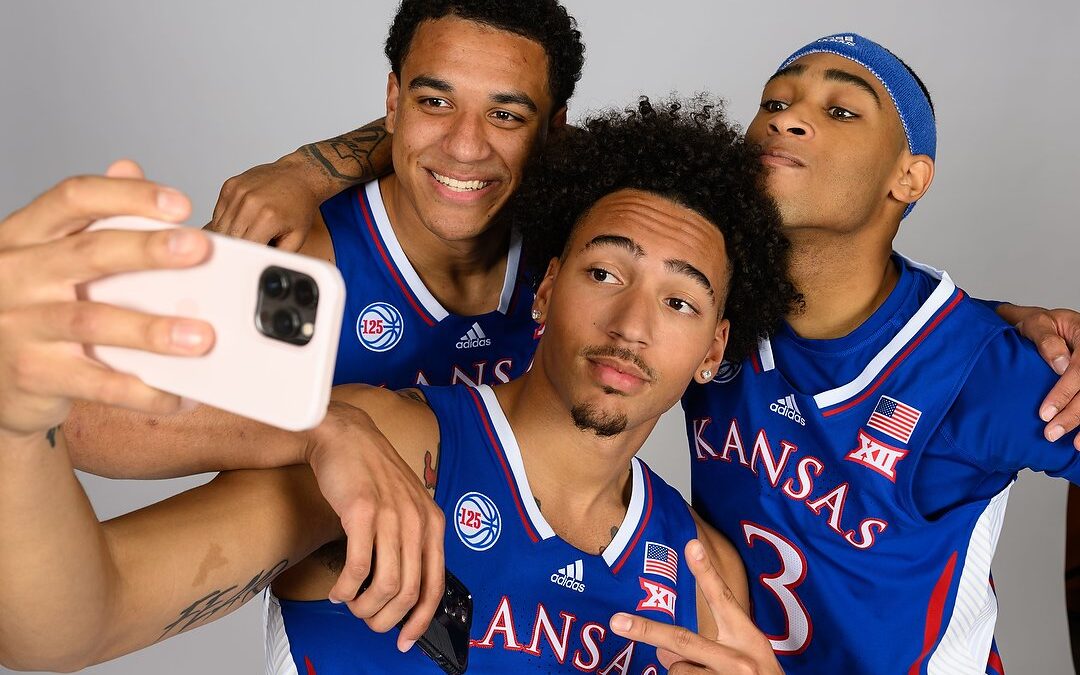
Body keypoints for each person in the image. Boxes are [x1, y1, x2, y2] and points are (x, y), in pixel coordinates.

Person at [0, 98, 792, 674]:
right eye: (604, 271)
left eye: (680, 300)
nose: (632, 321)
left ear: (713, 347)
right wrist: (15, 420)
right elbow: (68, 627)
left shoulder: (705, 576)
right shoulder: (390, 445)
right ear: (545, 291)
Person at [61, 0, 586, 648]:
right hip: (351, 638)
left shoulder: (576, 241)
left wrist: (305, 165)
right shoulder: (308, 258)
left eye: (505, 114)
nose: (466, 145)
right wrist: (322, 425)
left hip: (541, 629)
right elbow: (81, 406)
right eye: (434, 102)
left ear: (553, 129)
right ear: (393, 102)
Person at [651, 34, 1080, 673]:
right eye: (774, 101)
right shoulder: (705, 304)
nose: (785, 118)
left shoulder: (980, 367)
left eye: (841, 111)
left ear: (909, 177)